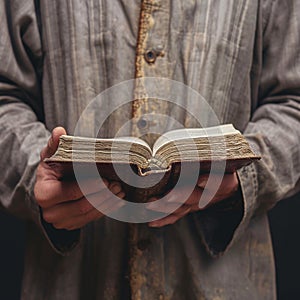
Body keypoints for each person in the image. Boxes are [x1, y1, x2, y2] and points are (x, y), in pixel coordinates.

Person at [0, 0, 299, 299]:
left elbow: (293, 100)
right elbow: (5, 94)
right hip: (73, 279)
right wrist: (36, 175)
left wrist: (245, 180)